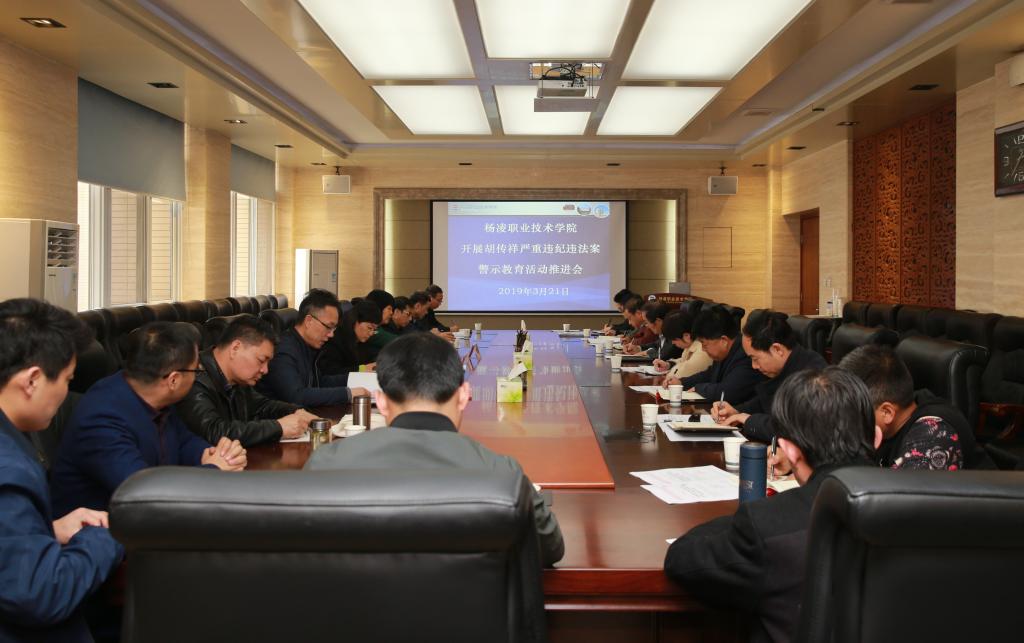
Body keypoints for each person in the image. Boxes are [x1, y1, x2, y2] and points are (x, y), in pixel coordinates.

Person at [305, 332, 564, 566]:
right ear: (463, 396)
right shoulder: (503, 474)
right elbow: (551, 548)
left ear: (381, 402)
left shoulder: (326, 463)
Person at [664, 367, 877, 643]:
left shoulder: (768, 526)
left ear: (789, 451)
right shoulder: (930, 514)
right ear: (876, 437)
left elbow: (682, 560)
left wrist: (748, 517)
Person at [0, 299, 123, 641]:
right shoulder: (9, 467)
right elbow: (42, 594)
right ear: (32, 380)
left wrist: (47, 530)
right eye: (68, 380)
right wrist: (104, 537)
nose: (67, 393)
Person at [51, 322, 247, 516]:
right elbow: (142, 491)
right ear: (173, 380)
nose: (197, 376)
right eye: (197, 370)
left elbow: (183, 439)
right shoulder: (101, 418)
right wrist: (214, 470)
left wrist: (212, 454)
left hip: (150, 518)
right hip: (104, 528)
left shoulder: (152, 393)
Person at [839, 344, 987, 470]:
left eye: (853, 413)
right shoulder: (893, 421)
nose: (847, 420)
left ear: (887, 412)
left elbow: (899, 494)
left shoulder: (933, 433)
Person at [177, 315, 317, 447]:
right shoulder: (193, 377)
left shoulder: (238, 378)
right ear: (235, 348)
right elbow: (215, 432)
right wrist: (278, 427)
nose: (265, 370)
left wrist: (296, 411)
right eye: (261, 360)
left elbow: (262, 406)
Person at [713, 311, 827, 442]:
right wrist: (736, 411)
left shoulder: (812, 377)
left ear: (777, 349)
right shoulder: (787, 367)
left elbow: (791, 430)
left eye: (755, 358)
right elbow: (765, 401)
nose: (754, 366)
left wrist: (749, 420)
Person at [256, 288, 370, 406]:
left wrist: (359, 378)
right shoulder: (283, 350)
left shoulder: (306, 345)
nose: (331, 334)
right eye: (328, 327)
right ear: (309, 321)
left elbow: (318, 382)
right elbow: (296, 396)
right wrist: (348, 394)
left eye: (334, 329)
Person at [679, 306, 765, 404]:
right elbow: (710, 374)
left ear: (723, 341)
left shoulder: (745, 355)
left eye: (704, 344)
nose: (703, 349)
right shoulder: (725, 353)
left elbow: (727, 392)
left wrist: (699, 388)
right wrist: (682, 382)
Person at [320, 300, 382, 377]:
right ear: (355, 321)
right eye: (369, 328)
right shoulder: (335, 339)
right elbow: (332, 372)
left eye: (374, 330)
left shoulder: (362, 341)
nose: (371, 333)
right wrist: (362, 368)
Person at [655, 311, 712, 382]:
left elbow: (678, 375)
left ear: (686, 336)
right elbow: (682, 361)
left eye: (674, 339)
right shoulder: (691, 345)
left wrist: (668, 374)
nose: (672, 343)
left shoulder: (702, 351)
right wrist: (668, 364)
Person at [363, 289, 397, 360]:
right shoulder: (368, 327)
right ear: (379, 307)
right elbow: (398, 342)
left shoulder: (380, 327)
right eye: (389, 308)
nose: (391, 313)